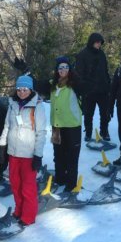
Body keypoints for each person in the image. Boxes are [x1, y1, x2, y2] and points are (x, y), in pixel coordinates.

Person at [0, 76, 47, 227]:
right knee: (15, 184)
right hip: (13, 153)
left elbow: (41, 132)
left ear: (30, 89)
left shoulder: (37, 106)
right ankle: (19, 210)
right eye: (19, 89)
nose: (22, 92)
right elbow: (7, 126)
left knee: (27, 187)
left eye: (25, 89)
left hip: (28, 154)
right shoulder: (12, 104)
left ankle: (28, 215)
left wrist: (38, 155)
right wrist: (1, 145)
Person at [34, 57, 86, 192]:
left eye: (66, 67)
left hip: (72, 125)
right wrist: (26, 71)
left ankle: (71, 185)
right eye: (60, 68)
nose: (63, 70)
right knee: (59, 155)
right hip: (57, 126)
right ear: (57, 70)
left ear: (70, 69)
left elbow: (86, 88)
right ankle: (60, 178)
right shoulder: (53, 84)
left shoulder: (75, 83)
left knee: (72, 157)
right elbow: (37, 85)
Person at [75, 33, 111, 141]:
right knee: (88, 114)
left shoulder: (102, 54)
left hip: (102, 90)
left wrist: (108, 84)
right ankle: (88, 133)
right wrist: (82, 88)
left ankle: (104, 132)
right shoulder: (83, 54)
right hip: (89, 90)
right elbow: (79, 73)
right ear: (92, 42)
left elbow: (105, 71)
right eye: (97, 42)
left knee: (104, 113)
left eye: (100, 42)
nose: (99, 44)